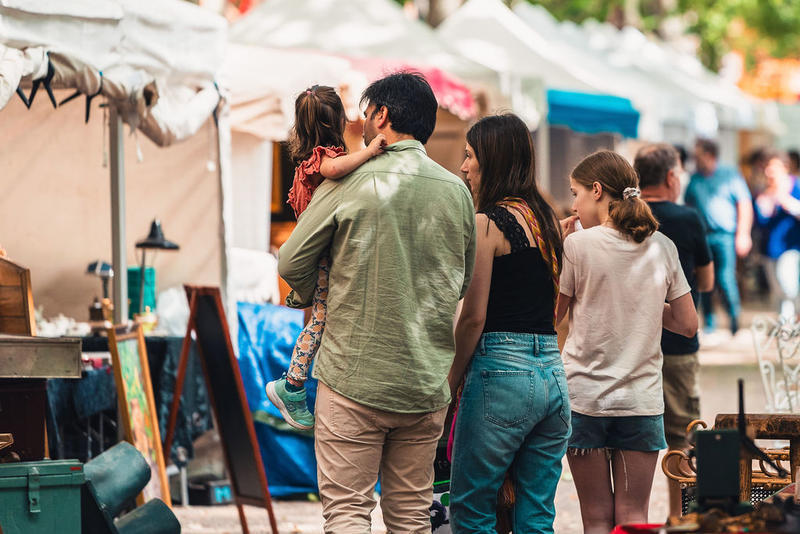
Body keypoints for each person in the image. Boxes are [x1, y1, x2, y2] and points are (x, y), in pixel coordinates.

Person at [278, 72, 476, 532]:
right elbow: (461, 281)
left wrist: (314, 295)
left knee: (348, 511)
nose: (362, 125)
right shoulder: (456, 191)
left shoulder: (347, 181)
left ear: (383, 115)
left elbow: (291, 260)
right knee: (411, 516)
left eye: (366, 114)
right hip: (425, 384)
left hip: (353, 376)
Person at [556, 150, 698, 534]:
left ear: (597, 191)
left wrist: (558, 251)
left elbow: (551, 317)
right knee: (634, 516)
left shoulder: (577, 247)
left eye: (576, 193)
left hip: (585, 400)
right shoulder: (662, 246)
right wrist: (650, 308)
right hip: (640, 402)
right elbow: (687, 323)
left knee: (596, 518)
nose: (573, 204)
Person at [447, 114, 570, 533]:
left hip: (501, 373)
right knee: (536, 516)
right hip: (552, 375)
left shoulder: (489, 223)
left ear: (492, 161)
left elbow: (474, 316)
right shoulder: (548, 222)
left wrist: (449, 382)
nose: (464, 167)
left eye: (469, 156)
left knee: (471, 507)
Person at [265, 85, 387, 430]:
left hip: (316, 253)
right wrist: (370, 150)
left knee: (318, 315)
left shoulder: (307, 160)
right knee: (320, 317)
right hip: (321, 256)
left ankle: (295, 383)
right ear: (334, 120)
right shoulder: (324, 159)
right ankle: (292, 384)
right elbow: (337, 169)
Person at [634, 143, 714, 517]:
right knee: (683, 435)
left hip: (632, 345)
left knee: (632, 436)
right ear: (670, 177)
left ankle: (633, 517)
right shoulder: (687, 219)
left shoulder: (622, 219)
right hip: (680, 344)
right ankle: (680, 518)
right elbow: (708, 281)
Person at [685, 138, 753, 334]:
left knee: (725, 278)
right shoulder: (695, 179)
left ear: (710, 155)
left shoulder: (729, 175)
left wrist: (743, 234)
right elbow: (689, 205)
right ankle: (710, 323)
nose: (694, 160)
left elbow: (744, 204)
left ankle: (734, 320)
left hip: (725, 235)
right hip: (702, 236)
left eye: (697, 156)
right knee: (705, 279)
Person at [753, 150, 800, 319]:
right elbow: (761, 223)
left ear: (785, 168)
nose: (768, 172)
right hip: (770, 249)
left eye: (772, 167)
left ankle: (787, 325)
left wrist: (787, 202)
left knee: (787, 284)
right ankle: (784, 325)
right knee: (777, 288)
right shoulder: (764, 193)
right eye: (767, 167)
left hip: (791, 246)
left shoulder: (796, 186)